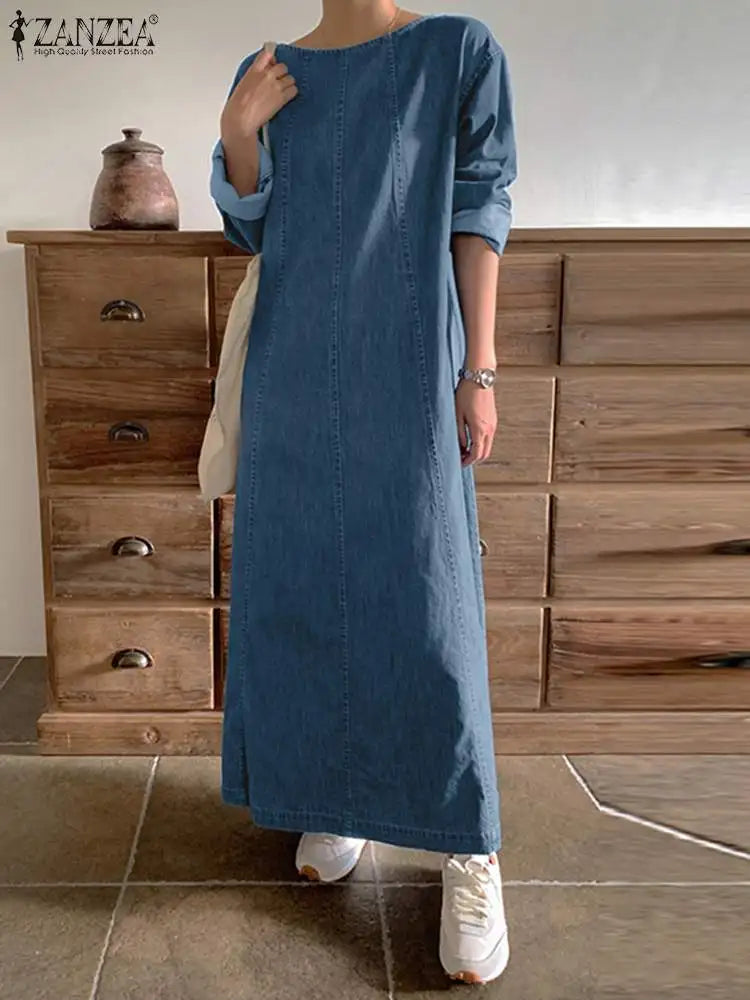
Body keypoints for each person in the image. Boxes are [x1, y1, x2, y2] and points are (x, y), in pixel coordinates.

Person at [210, 3, 517, 985]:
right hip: (294, 370)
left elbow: (481, 205)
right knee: (300, 586)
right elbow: (251, 228)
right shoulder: (269, 69)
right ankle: (334, 795)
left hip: (409, 364)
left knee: (427, 602)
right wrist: (238, 134)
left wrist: (479, 369)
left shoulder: (456, 51)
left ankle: (471, 850)